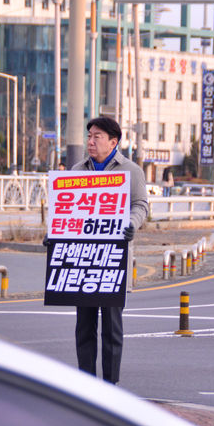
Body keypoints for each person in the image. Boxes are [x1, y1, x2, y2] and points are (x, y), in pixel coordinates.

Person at [51, 116, 148, 385]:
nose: (90, 142)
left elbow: (141, 205)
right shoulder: (77, 170)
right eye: (89, 136)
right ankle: (87, 384)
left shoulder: (131, 171)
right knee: (84, 326)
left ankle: (111, 385)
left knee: (112, 328)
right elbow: (64, 209)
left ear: (113, 142)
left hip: (113, 261)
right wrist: (55, 236)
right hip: (82, 261)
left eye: (97, 137)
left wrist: (131, 223)